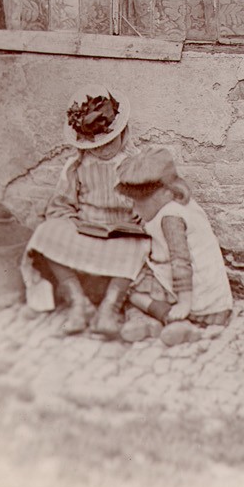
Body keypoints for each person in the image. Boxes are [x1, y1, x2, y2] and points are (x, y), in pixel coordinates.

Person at [21, 88, 150, 337]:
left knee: (140, 247)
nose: (103, 151)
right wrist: (71, 222)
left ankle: (109, 309)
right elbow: (61, 205)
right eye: (97, 146)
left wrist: (142, 214)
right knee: (45, 234)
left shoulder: (136, 163)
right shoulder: (77, 165)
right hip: (87, 226)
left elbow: (151, 202)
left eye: (109, 143)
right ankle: (79, 303)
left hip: (123, 231)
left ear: (122, 134)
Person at [115, 147, 233, 344]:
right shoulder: (178, 205)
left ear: (165, 193)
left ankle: (169, 319)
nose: (135, 208)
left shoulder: (171, 218)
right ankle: (150, 323)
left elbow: (181, 262)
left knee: (131, 289)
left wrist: (184, 302)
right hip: (211, 297)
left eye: (140, 202)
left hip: (194, 294)